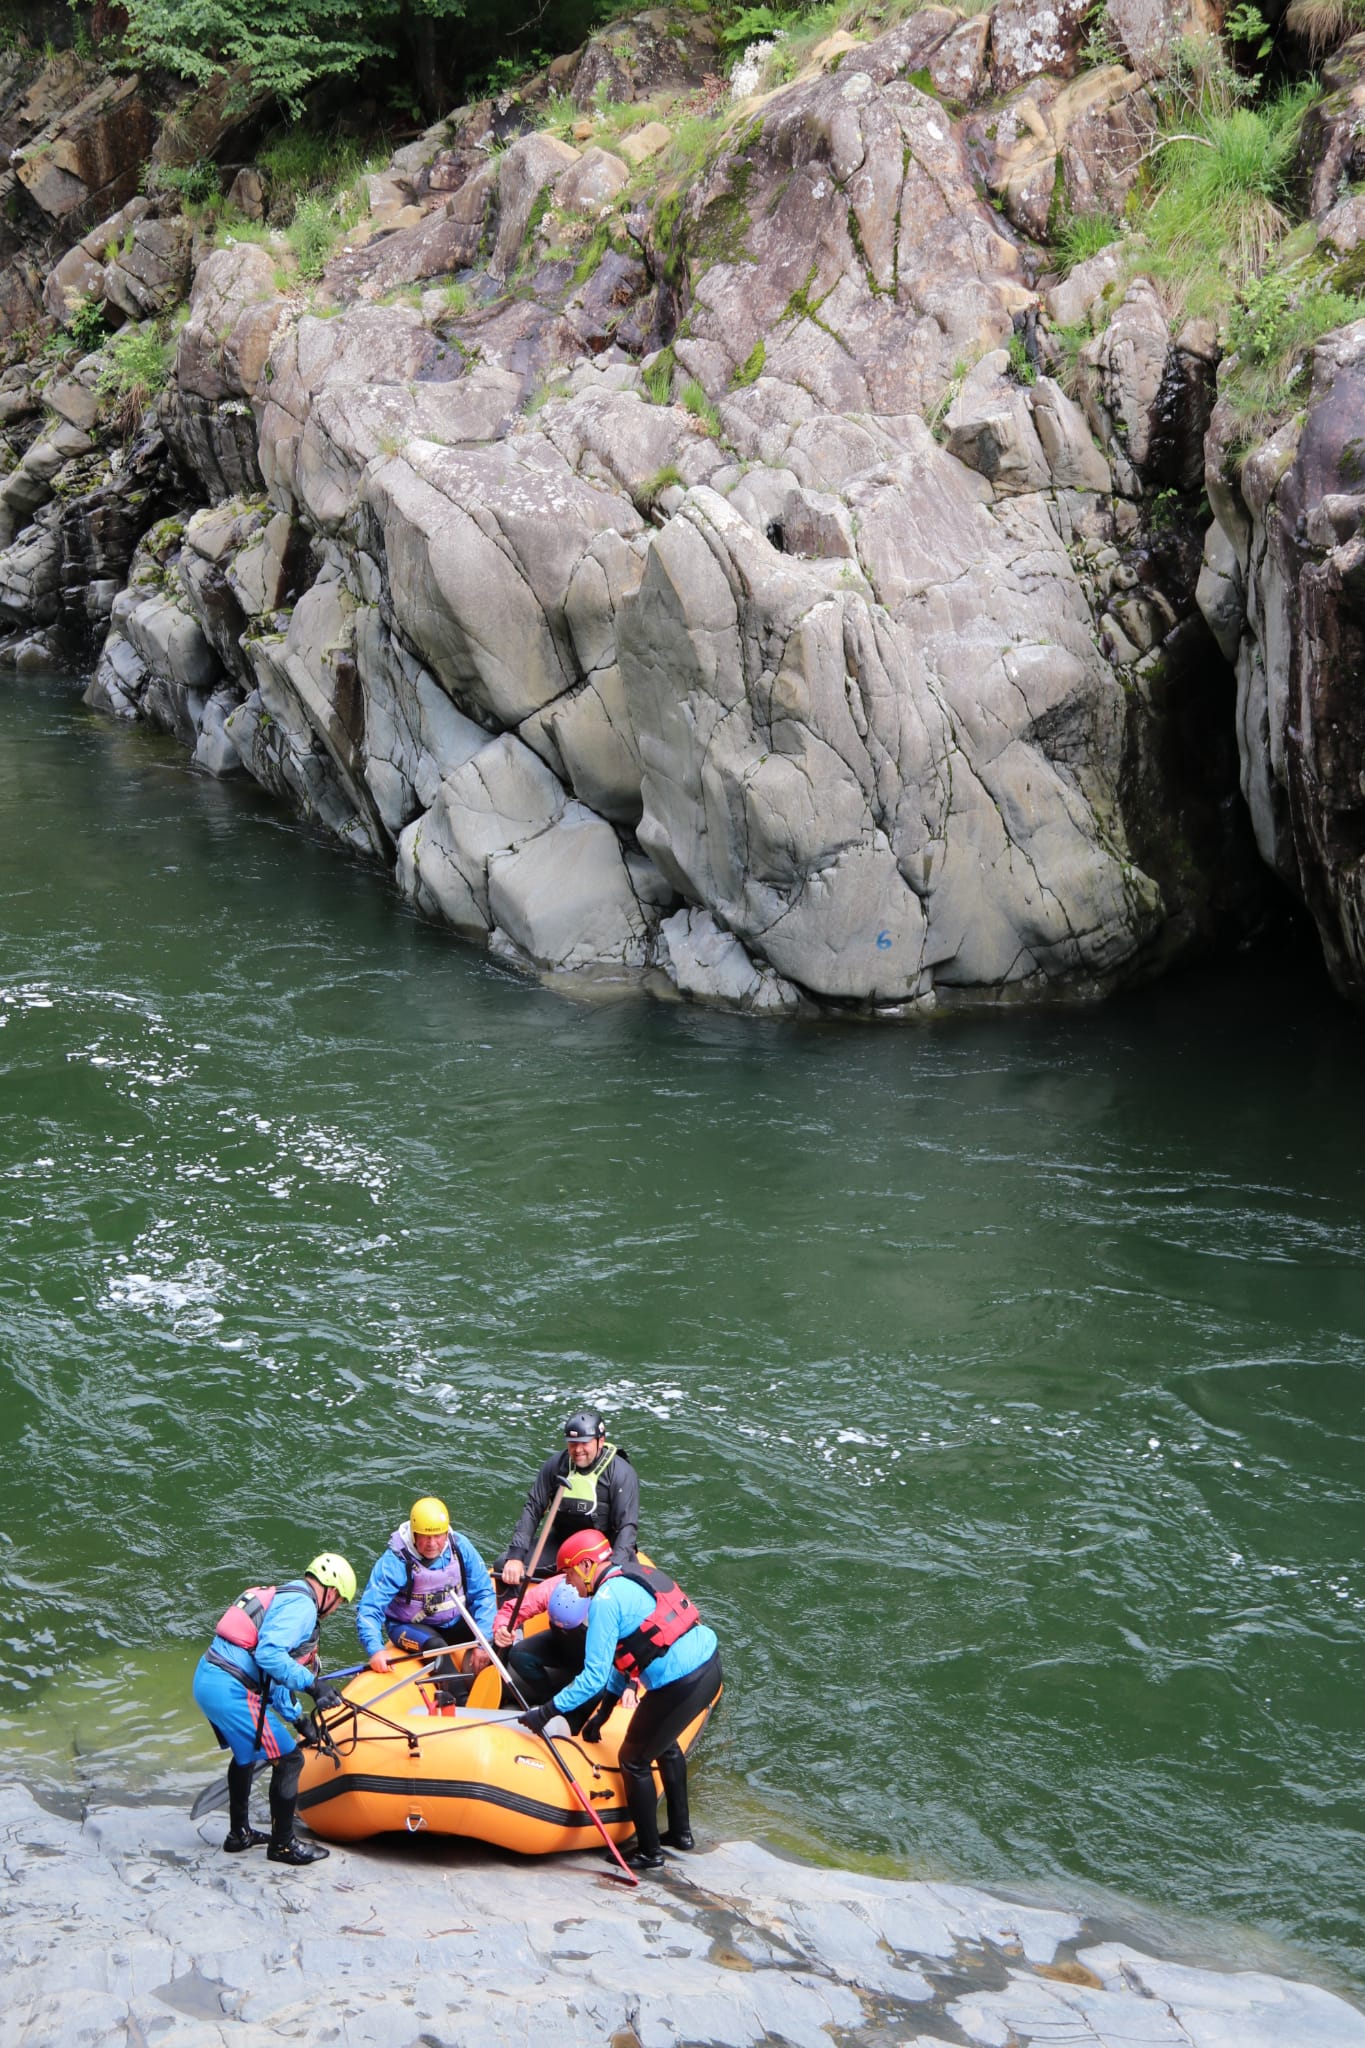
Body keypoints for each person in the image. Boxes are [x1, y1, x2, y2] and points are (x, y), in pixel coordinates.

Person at [518, 1530, 722, 1871]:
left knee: (633, 1760)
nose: (568, 1584)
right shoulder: (629, 1575)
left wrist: (547, 1711)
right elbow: (624, 1657)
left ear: (586, 1566)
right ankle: (680, 1833)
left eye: (568, 1575)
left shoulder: (604, 1600)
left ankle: (649, 1852)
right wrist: (603, 1714)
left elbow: (593, 1677)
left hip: (680, 1682)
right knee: (665, 1745)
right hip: (708, 1665)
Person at [192, 1552, 356, 1867]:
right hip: (231, 1689)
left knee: (247, 1755)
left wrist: (299, 1720)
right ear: (332, 1592)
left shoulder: (285, 1595)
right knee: (290, 1760)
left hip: (209, 1678)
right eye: (340, 1603)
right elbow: (269, 1655)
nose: (335, 1610)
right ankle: (283, 1845)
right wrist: (314, 1686)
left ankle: (239, 1834)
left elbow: (274, 1677)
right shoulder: (304, 1606)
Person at [355, 1495, 496, 1696]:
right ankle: (461, 1700)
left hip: (454, 1621)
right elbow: (369, 1608)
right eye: (425, 1536)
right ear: (414, 1534)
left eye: (438, 1536)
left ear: (446, 1532)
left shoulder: (460, 1547)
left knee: (498, 1630)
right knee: (436, 1648)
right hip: (409, 1627)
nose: (432, 1543)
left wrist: (483, 1642)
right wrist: (376, 1649)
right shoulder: (396, 1560)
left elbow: (483, 1594)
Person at [498, 1407, 639, 1589]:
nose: (578, 1449)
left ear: (600, 1441)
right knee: (503, 1565)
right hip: (562, 1544)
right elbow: (533, 1508)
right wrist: (516, 1555)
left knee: (620, 1582)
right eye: (572, 1443)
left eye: (584, 1443)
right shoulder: (556, 1465)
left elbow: (627, 1526)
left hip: (603, 1549)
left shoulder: (621, 1473)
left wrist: (613, 1567)